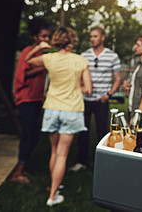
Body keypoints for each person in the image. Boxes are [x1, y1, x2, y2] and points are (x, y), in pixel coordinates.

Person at [25, 26, 92, 206]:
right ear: (72, 41)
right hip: (72, 109)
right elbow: (89, 89)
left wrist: (40, 47)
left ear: (56, 40)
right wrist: (75, 88)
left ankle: (54, 185)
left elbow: (27, 60)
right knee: (62, 154)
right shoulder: (81, 60)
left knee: (54, 151)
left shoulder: (49, 58)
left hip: (52, 108)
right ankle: (53, 196)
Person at [69, 26, 122, 172]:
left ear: (102, 38)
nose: (92, 39)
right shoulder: (84, 55)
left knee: (102, 132)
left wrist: (109, 95)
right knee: (83, 132)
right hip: (85, 100)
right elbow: (78, 77)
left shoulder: (112, 56)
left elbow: (118, 78)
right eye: (91, 36)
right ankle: (81, 162)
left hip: (101, 100)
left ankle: (102, 163)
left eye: (95, 36)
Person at [12, 18, 50, 184]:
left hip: (36, 99)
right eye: (43, 36)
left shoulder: (43, 55)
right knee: (33, 136)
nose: (46, 40)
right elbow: (23, 74)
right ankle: (18, 171)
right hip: (25, 98)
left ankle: (21, 169)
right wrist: (45, 65)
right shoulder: (29, 51)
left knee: (26, 135)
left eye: (48, 37)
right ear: (35, 37)